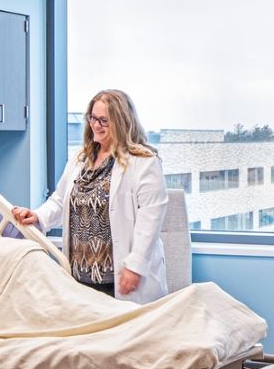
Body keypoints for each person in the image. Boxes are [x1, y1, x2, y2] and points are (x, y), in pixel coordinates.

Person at [12, 89, 170, 303]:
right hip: (79, 276)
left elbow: (150, 220)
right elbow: (61, 200)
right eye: (93, 118)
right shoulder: (81, 158)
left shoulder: (144, 162)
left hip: (119, 277)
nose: (96, 125)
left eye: (104, 121)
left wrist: (136, 265)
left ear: (122, 122)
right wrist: (38, 216)